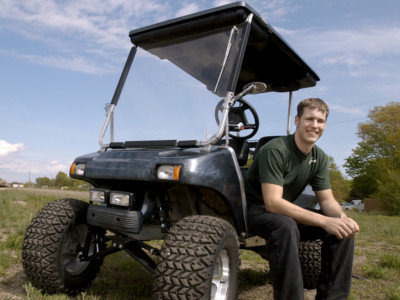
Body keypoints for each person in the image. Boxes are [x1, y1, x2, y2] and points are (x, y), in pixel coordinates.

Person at [244, 98, 359, 300]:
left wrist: (341, 218)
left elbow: (327, 201)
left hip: (282, 211)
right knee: (285, 226)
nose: (315, 125)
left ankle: (332, 297)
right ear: (297, 120)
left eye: (320, 121)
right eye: (310, 119)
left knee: (342, 230)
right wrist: (325, 221)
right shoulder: (276, 149)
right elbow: (272, 202)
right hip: (251, 208)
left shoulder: (319, 157)